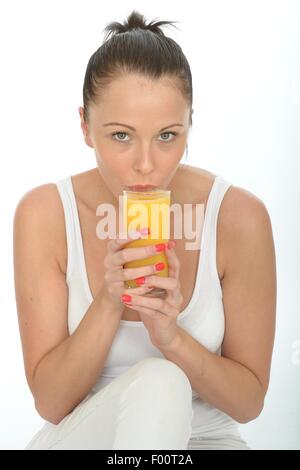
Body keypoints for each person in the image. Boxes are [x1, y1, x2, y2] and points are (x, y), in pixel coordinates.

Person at [13, 10, 277, 450]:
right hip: (83, 436)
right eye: (121, 136)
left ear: (189, 126)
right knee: (157, 382)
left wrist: (172, 338)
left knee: (166, 378)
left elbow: (248, 404)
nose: (146, 165)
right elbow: (51, 401)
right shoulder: (45, 214)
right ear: (85, 127)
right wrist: (109, 300)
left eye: (167, 136)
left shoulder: (238, 217)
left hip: (204, 441)